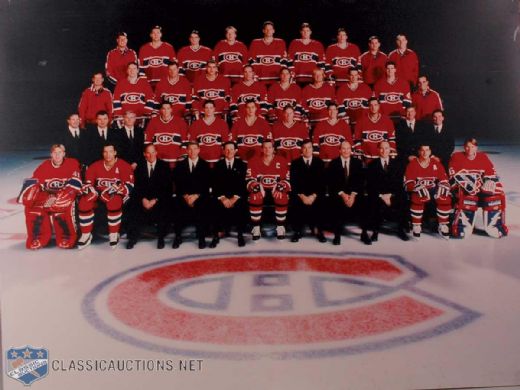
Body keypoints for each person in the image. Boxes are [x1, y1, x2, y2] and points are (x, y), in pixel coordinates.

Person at [18, 144, 82, 249]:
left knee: (62, 206)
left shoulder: (72, 163)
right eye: (55, 153)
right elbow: (35, 181)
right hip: (49, 195)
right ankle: (38, 237)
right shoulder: (44, 166)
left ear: (64, 154)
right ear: (51, 154)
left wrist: (58, 197)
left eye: (60, 153)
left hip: (67, 195)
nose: (57, 155)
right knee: (33, 207)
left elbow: (76, 184)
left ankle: (66, 237)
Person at [77, 143, 134, 249]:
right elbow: (88, 183)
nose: (108, 155)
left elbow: (129, 186)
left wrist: (112, 191)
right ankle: (86, 234)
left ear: (115, 153)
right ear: (102, 153)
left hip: (117, 195)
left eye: (111, 152)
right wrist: (93, 191)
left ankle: (113, 233)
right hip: (98, 194)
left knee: (114, 202)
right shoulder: (95, 166)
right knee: (84, 203)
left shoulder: (124, 165)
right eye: (105, 152)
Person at [449, 138, 508, 238]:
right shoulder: (456, 156)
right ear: (464, 147)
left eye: (472, 147)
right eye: (467, 146)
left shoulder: (482, 157)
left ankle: (496, 224)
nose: (469, 149)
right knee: (469, 196)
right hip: (464, 189)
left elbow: (491, 172)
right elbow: (453, 175)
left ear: (476, 147)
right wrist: (466, 183)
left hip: (479, 188)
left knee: (494, 195)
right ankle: (462, 225)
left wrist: (489, 180)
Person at [126, 144, 172, 249]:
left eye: (152, 152)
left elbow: (167, 188)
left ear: (156, 153)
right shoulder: (139, 167)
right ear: (144, 154)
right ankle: (133, 238)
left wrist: (155, 200)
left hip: (158, 199)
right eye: (148, 153)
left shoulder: (164, 166)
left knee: (165, 206)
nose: (151, 155)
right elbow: (136, 187)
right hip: (143, 199)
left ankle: (161, 238)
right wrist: (143, 199)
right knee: (133, 206)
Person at [404, 144, 451, 239]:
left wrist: (443, 185)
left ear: (430, 152)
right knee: (419, 196)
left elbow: (444, 179)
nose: (425, 152)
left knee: (444, 196)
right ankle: (416, 225)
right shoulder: (412, 164)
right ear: (418, 152)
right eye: (422, 150)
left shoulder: (436, 163)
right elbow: (408, 182)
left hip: (433, 189)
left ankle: (443, 224)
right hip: (418, 190)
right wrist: (417, 187)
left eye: (427, 150)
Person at [365, 141, 409, 243]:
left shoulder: (397, 164)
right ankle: (375, 231)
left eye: (386, 148)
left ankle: (401, 229)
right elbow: (370, 185)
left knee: (403, 198)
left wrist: (390, 195)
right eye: (381, 148)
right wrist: (382, 196)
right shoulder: (372, 165)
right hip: (379, 195)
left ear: (390, 150)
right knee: (372, 200)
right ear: (378, 150)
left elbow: (399, 183)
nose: (384, 151)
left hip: (393, 194)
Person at [246, 139, 290, 240]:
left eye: (270, 147)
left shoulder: (282, 161)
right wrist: (254, 186)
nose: (267, 150)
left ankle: (280, 226)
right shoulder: (253, 161)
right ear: (261, 149)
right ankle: (256, 227)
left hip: (275, 189)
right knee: (255, 195)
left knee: (281, 195)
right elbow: (248, 180)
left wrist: (281, 186)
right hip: (261, 189)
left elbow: (287, 180)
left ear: (273, 149)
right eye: (265, 147)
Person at [172, 142, 211, 249]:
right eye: (190, 149)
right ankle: (178, 236)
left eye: (195, 149)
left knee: (203, 205)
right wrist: (185, 196)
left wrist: (196, 196)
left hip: (199, 196)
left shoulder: (205, 165)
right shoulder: (180, 165)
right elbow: (178, 183)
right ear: (186, 150)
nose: (192, 151)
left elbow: (206, 184)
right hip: (184, 196)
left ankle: (201, 237)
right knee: (176, 205)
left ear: (199, 150)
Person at [326, 141, 364, 245]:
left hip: (353, 194)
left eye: (348, 148)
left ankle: (364, 234)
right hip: (339, 194)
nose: (346, 151)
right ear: (339, 150)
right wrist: (343, 195)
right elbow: (331, 183)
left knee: (365, 202)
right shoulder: (333, 163)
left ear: (351, 150)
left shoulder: (358, 163)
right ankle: (337, 235)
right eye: (343, 148)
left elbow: (360, 182)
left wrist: (352, 195)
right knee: (335, 203)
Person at [211, 141, 248, 247]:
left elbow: (243, 184)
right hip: (222, 196)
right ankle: (216, 236)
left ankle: (240, 235)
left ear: (236, 151)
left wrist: (234, 198)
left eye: (231, 149)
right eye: (226, 149)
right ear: (223, 151)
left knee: (242, 204)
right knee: (214, 204)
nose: (229, 151)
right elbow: (215, 185)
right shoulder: (217, 165)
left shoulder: (242, 165)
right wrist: (223, 198)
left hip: (237, 197)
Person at [289, 139, 326, 243]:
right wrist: (302, 196)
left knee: (322, 201)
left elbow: (322, 183)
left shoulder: (319, 163)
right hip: (301, 195)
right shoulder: (295, 163)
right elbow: (293, 182)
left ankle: (320, 231)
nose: (307, 150)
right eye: (304, 148)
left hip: (315, 195)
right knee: (295, 201)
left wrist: (313, 196)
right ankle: (297, 231)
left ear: (312, 149)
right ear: (301, 149)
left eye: (309, 147)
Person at [144, 101, 188, 169]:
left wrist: (182, 155)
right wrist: (151, 156)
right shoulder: (153, 121)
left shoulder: (180, 122)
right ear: (161, 110)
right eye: (164, 108)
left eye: (168, 108)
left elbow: (185, 140)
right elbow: (148, 140)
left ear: (171, 109)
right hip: (158, 160)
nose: (166, 111)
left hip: (175, 159)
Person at [354, 97, 396, 164]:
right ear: (368, 107)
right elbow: (357, 139)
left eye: (375, 105)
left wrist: (391, 152)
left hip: (383, 157)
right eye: (371, 105)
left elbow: (392, 139)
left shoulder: (387, 121)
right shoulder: (361, 121)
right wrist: (359, 152)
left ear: (379, 106)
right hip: (367, 157)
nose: (373, 107)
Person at [113, 62, 155, 127]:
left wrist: (146, 113)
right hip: (125, 119)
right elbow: (116, 100)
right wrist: (119, 115)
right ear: (127, 70)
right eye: (130, 69)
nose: (132, 71)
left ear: (138, 70)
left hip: (141, 118)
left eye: (134, 68)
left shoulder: (144, 83)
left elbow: (150, 99)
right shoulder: (120, 83)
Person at [188, 100, 230, 166]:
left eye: (211, 108)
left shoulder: (222, 124)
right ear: (203, 109)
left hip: (218, 160)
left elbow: (225, 143)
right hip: (201, 161)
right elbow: (192, 143)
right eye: (206, 108)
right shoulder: (196, 124)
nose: (209, 110)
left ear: (214, 109)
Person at [248, 21, 287, 87]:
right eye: (266, 29)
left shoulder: (280, 42)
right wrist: (254, 77)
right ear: (263, 31)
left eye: (270, 29)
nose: (268, 31)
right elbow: (251, 61)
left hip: (276, 79)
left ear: (273, 31)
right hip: (260, 79)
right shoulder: (255, 43)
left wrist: (282, 78)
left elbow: (283, 61)